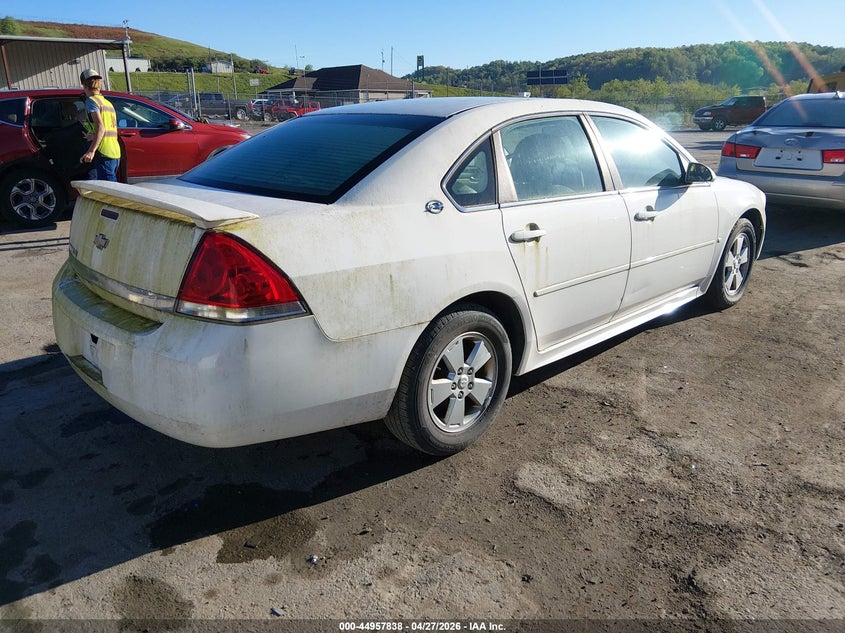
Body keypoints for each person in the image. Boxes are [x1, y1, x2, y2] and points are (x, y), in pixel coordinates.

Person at [78, 69, 121, 181]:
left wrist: (91, 151)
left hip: (103, 153)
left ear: (84, 86)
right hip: (114, 152)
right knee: (112, 189)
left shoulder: (91, 102)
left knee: (109, 192)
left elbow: (101, 127)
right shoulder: (107, 103)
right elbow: (108, 128)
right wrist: (93, 136)